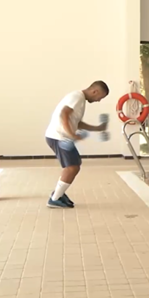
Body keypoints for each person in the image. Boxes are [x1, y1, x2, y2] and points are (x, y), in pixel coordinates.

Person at [44, 81, 109, 209]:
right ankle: (55, 199)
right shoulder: (77, 97)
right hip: (59, 137)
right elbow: (64, 114)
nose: (99, 100)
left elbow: (76, 122)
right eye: (100, 97)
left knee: (75, 165)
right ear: (94, 91)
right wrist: (71, 134)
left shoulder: (79, 99)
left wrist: (97, 128)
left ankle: (59, 194)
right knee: (72, 167)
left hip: (60, 137)